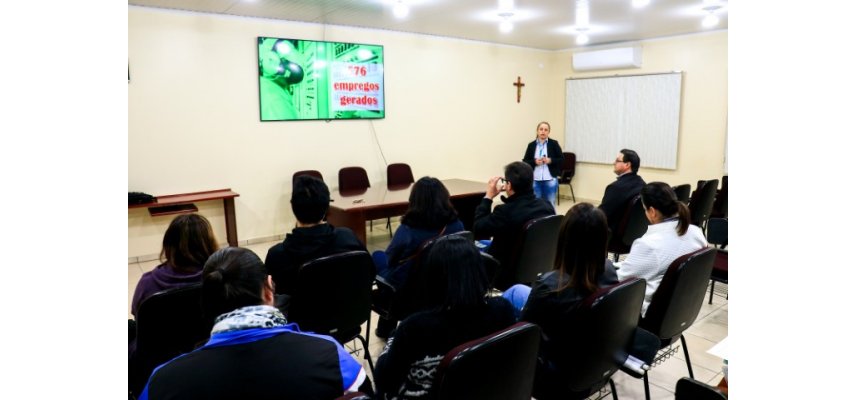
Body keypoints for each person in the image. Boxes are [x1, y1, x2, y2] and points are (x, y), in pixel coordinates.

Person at [138, 247, 372, 400]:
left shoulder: (163, 382)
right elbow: (364, 393)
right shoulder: (329, 353)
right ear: (269, 289)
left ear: (206, 303)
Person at [374, 236, 516, 400]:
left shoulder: (415, 328)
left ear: (433, 279)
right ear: (479, 272)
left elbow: (384, 381)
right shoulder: (503, 310)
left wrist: (393, 338)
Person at [372, 177, 465, 338]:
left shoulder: (408, 230)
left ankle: (385, 328)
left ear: (414, 200)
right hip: (443, 286)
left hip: (408, 293)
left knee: (378, 257)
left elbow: (391, 260)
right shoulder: (457, 225)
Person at [265, 175, 365, 302]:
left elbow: (270, 298)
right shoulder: (348, 238)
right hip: (350, 317)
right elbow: (368, 274)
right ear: (327, 206)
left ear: (293, 206)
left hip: (300, 321)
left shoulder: (277, 255)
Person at [616, 182, 708, 316]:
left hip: (645, 314)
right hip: (680, 312)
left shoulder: (649, 245)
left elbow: (621, 281)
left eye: (644, 209)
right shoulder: (696, 232)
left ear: (652, 212)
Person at [130, 213, 219, 346]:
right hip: (210, 351)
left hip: (159, 359)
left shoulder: (147, 283)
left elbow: (140, 322)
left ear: (168, 244)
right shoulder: (224, 279)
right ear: (210, 243)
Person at [472, 161, 555, 289]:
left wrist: (488, 197)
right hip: (534, 265)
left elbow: (478, 228)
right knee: (484, 242)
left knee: (472, 246)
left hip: (505, 270)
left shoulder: (505, 211)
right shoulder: (546, 205)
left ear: (508, 185)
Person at [599, 149, 646, 235]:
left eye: (617, 161)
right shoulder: (642, 184)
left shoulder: (615, 188)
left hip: (612, 234)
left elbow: (601, 216)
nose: (613, 163)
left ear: (627, 165)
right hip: (632, 233)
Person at [523, 121, 564, 209]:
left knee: (550, 205)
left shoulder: (554, 144)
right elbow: (525, 161)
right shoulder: (531, 145)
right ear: (537, 131)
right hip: (535, 180)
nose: (543, 131)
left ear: (548, 132)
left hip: (550, 179)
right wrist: (535, 162)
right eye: (541, 129)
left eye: (546, 130)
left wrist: (550, 160)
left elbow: (561, 160)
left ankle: (551, 222)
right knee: (536, 206)